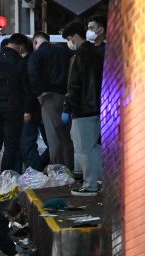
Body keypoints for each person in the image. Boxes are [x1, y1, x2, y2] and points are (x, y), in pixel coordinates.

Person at [0, 33, 30, 196]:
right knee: (10, 146)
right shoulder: (19, 62)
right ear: (21, 46)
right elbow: (25, 87)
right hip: (12, 108)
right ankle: (5, 185)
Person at [61, 21, 103, 197]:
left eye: (70, 38)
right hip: (98, 108)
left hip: (82, 109)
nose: (70, 42)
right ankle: (99, 181)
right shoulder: (97, 53)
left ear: (75, 36)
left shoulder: (79, 56)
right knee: (95, 148)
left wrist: (67, 107)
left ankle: (90, 185)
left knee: (84, 149)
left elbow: (74, 86)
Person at [27, 31, 74, 170]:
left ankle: (58, 173)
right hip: (66, 98)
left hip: (49, 98)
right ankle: (69, 171)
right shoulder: (64, 52)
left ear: (35, 42)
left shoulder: (37, 55)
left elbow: (33, 75)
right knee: (66, 138)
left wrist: (39, 93)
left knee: (54, 138)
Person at [21, 37, 50, 171]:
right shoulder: (40, 61)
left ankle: (35, 170)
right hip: (43, 106)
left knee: (28, 143)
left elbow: (27, 88)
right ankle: (36, 169)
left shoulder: (27, 62)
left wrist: (26, 109)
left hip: (32, 109)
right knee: (52, 142)